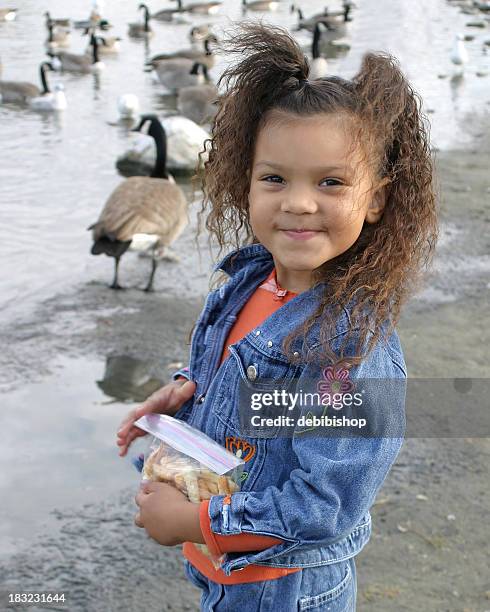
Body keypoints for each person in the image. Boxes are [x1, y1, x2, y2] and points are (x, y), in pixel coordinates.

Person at [116, 22, 437, 611]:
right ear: (246, 180)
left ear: (375, 200)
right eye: (275, 178)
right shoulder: (245, 280)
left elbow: (324, 507)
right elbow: (258, 400)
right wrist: (186, 393)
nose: (297, 202)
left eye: (331, 182)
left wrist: (195, 521)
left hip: (284, 592)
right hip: (226, 574)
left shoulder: (353, 352)